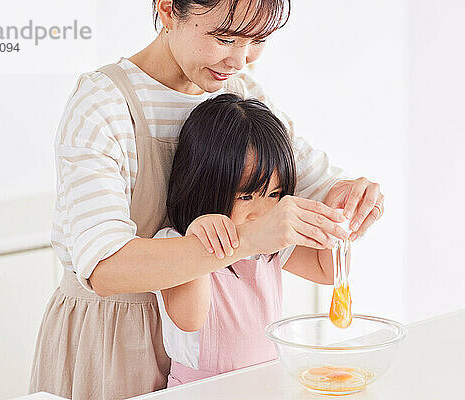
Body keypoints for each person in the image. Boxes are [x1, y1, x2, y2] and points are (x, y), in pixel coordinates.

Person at [29, 0, 384, 399]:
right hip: (115, 338)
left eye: (257, 39)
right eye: (225, 37)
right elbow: (104, 270)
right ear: (167, 10)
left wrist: (349, 197)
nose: (240, 59)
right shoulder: (104, 104)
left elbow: (312, 178)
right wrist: (246, 240)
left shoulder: (240, 91)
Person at [156, 92, 343, 386]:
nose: (262, 212)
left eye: (274, 195)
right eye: (246, 195)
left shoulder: (268, 247)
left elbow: (326, 271)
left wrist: (337, 217)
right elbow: (188, 318)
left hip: (266, 384)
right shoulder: (175, 243)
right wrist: (199, 243)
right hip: (201, 392)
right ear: (204, 184)